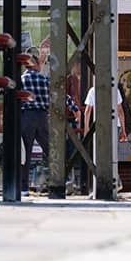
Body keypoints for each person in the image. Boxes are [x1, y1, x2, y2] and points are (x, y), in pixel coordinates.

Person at [19, 52, 81, 196]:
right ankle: (62, 178)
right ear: (35, 65)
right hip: (42, 117)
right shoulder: (44, 79)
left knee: (25, 154)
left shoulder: (21, 80)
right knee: (51, 150)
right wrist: (75, 110)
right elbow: (61, 95)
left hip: (25, 117)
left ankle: (23, 189)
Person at [84, 83, 127, 192]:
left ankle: (104, 183)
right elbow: (120, 110)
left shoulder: (93, 90)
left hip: (99, 126)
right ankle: (116, 181)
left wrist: (86, 128)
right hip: (114, 125)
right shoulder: (115, 90)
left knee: (100, 154)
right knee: (113, 154)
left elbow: (88, 111)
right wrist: (123, 129)